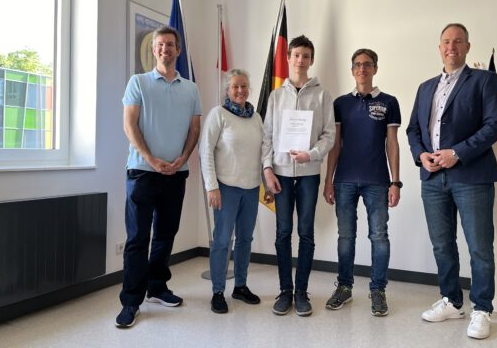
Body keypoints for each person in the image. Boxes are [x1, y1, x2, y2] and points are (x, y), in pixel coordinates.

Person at [406, 23, 497, 339]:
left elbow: (496, 125)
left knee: (479, 246)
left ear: (467, 47)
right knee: (442, 244)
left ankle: (482, 309)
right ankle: (451, 300)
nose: (452, 47)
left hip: (471, 175)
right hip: (432, 177)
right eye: (446, 42)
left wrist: (457, 153)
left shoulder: (484, 80)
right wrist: (421, 155)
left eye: (458, 41)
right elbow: (413, 130)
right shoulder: (425, 87)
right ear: (439, 48)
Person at [116, 26, 202, 328]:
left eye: (170, 44)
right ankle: (131, 301)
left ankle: (156, 286)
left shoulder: (191, 89)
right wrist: (151, 159)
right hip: (142, 172)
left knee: (166, 234)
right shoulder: (138, 82)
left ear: (178, 50)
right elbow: (130, 125)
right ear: (154, 50)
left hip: (176, 173)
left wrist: (183, 158)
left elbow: (194, 129)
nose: (166, 49)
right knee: (138, 238)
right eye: (161, 44)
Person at [322, 48, 401, 317]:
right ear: (352, 70)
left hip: (377, 181)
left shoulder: (389, 102)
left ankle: (378, 290)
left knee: (379, 236)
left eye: (367, 64)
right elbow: (335, 145)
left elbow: (392, 144)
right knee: (346, 237)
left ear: (375, 68)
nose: (362, 69)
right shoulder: (341, 104)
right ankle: (344, 287)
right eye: (357, 64)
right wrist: (328, 181)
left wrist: (395, 182)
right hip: (344, 180)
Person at [262, 35, 335, 317]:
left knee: (306, 233)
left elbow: (329, 135)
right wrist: (267, 169)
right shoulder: (276, 96)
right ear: (288, 58)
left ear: (311, 60)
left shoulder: (322, 95)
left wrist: (311, 154)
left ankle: (301, 292)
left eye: (306, 56)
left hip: (308, 174)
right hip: (280, 173)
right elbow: (267, 136)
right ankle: (285, 291)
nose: (300, 60)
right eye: (296, 55)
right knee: (283, 233)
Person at [199, 69, 273, 314]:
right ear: (227, 90)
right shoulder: (218, 115)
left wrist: (267, 183)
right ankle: (218, 291)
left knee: (244, 240)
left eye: (244, 86)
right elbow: (205, 151)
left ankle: (240, 286)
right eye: (235, 87)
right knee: (222, 241)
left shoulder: (256, 118)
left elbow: (264, 152)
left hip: (251, 189)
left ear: (248, 89)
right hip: (225, 188)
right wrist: (211, 186)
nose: (240, 90)